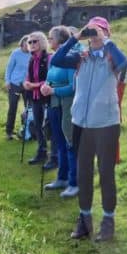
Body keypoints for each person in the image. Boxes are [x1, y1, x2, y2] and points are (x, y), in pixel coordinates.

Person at [52, 17, 127, 242]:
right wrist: (75, 37)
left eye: (100, 31)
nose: (94, 35)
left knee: (106, 173)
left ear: (107, 34)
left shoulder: (111, 56)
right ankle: (84, 220)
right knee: (83, 172)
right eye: (92, 32)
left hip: (106, 123)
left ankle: (108, 221)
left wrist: (106, 42)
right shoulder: (79, 58)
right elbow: (56, 59)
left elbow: (125, 66)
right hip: (80, 123)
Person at [41, 26, 79, 198]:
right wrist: (45, 87)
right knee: (59, 142)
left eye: (50, 38)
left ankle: (74, 183)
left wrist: (53, 91)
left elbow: (73, 87)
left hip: (67, 104)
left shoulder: (70, 57)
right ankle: (62, 178)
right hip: (54, 104)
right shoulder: (54, 59)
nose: (48, 41)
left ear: (60, 40)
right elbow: (49, 78)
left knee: (70, 143)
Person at [22, 31, 51, 165]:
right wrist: (26, 83)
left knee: (49, 127)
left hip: (47, 97)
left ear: (42, 42)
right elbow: (29, 76)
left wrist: (32, 85)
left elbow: (49, 80)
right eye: (30, 42)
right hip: (34, 97)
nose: (32, 44)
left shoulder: (48, 58)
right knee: (38, 126)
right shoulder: (31, 59)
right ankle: (41, 152)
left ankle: (54, 156)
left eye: (35, 41)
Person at [4, 35, 31, 140]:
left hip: (27, 84)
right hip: (14, 83)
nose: (27, 44)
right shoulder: (15, 53)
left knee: (28, 108)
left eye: (29, 42)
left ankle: (26, 130)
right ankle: (9, 132)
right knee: (12, 107)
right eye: (26, 42)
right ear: (22, 42)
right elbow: (9, 67)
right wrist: (7, 81)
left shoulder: (32, 54)